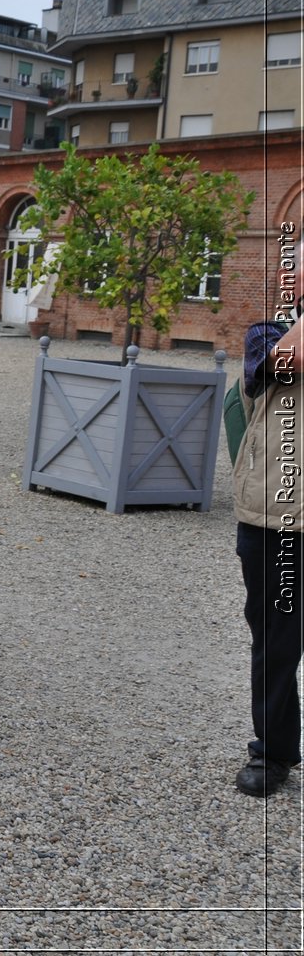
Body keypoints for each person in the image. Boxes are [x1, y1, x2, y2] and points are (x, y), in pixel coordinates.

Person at [232, 276, 303, 797]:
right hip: (277, 520)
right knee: (276, 644)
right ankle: (273, 750)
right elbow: (286, 362)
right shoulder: (268, 336)